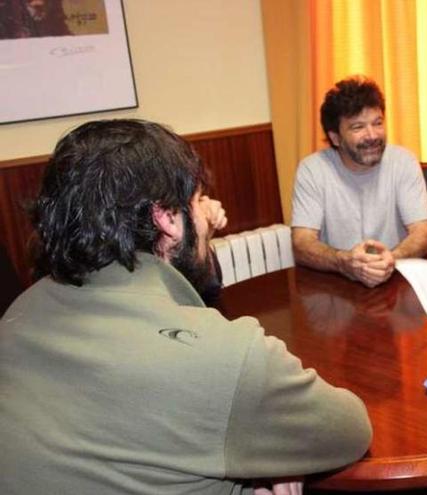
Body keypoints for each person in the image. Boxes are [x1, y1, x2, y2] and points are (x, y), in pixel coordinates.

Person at [0, 119, 372, 495]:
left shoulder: (18, 315)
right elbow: (351, 429)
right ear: (166, 219)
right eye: (197, 201)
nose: (207, 217)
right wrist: (269, 463)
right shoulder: (226, 356)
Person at [292, 76, 427, 288]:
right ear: (335, 138)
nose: (372, 135)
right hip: (338, 288)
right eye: (358, 127)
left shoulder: (403, 161)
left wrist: (391, 259)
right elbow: (302, 244)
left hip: (397, 283)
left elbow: (424, 234)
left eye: (377, 123)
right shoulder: (312, 170)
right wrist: (344, 261)